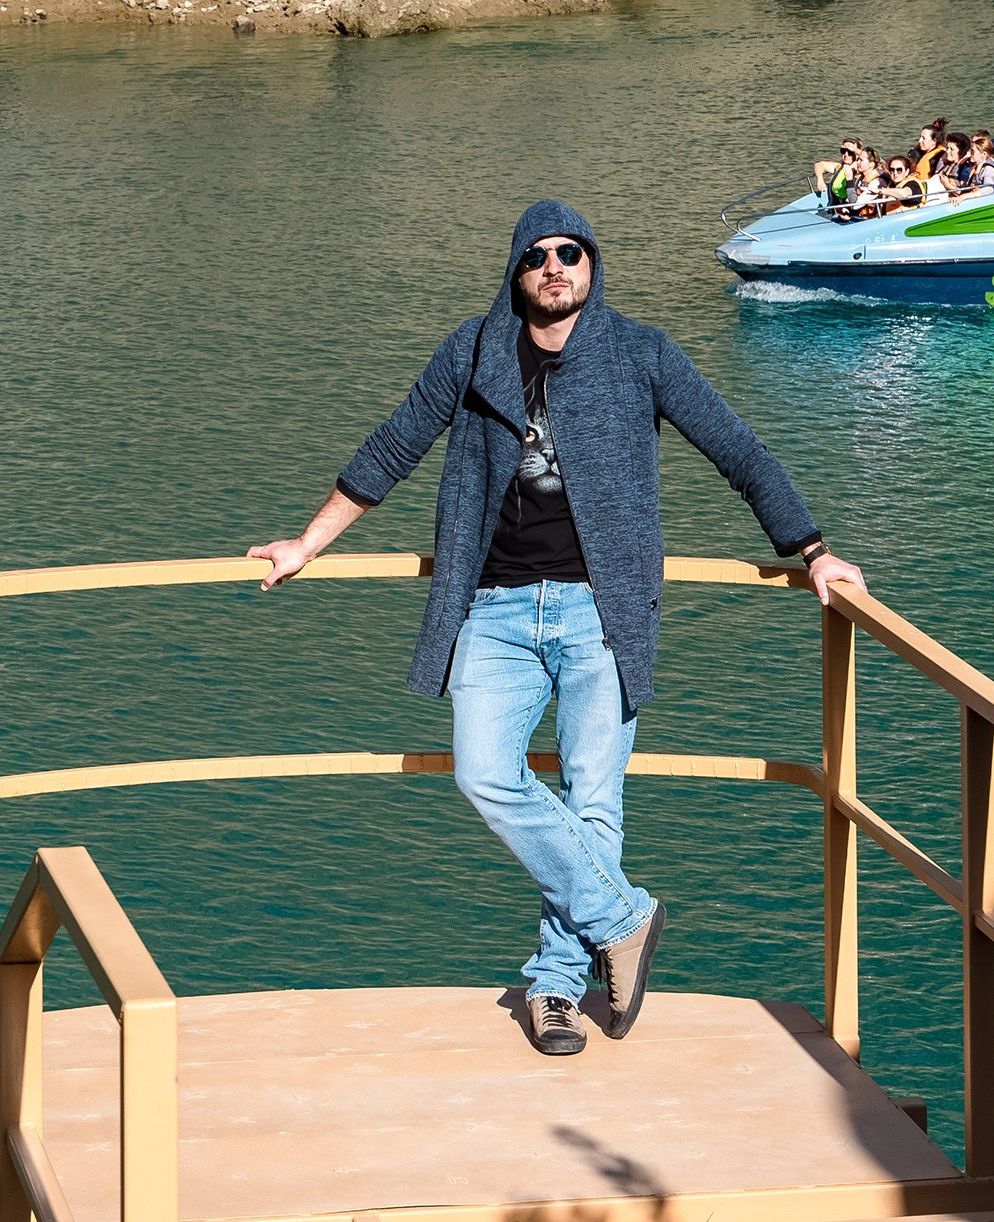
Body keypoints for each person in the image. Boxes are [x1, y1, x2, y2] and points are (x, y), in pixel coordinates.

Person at [248, 200, 865, 1060]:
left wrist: (814, 552)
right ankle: (624, 919)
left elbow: (742, 453)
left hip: (600, 609)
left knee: (592, 803)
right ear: (516, 272)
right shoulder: (472, 352)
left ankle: (555, 990)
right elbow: (391, 448)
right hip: (494, 610)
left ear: (591, 264)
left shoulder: (642, 353)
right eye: (536, 255)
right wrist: (305, 543)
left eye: (569, 252)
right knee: (484, 774)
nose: (554, 266)